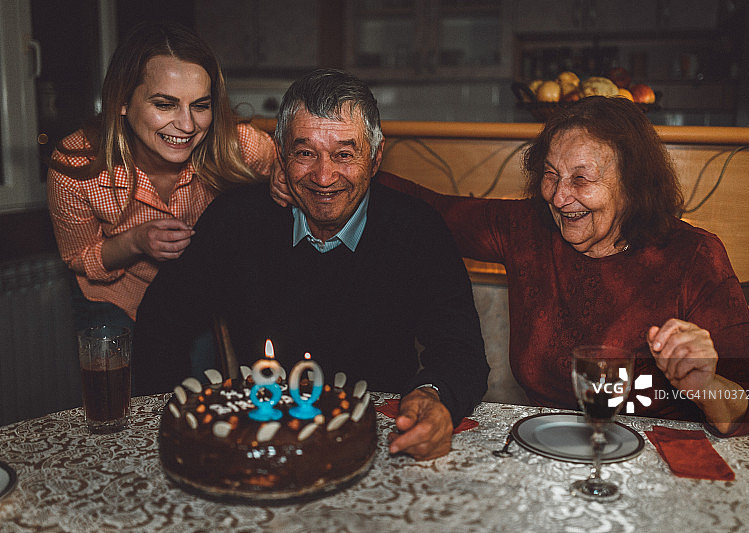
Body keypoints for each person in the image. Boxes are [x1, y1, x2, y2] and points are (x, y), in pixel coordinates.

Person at [273, 95, 749, 435]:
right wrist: (328, 178)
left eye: (581, 180)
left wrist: (704, 383)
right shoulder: (528, 228)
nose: (559, 198)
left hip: (657, 469)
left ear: (631, 185)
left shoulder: (693, 255)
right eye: (550, 175)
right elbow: (436, 210)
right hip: (542, 457)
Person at [133, 69, 489, 460]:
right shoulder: (237, 221)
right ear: (281, 154)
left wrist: (433, 395)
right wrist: (169, 419)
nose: (323, 176)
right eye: (305, 153)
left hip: (381, 438)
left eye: (344, 154)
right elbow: (162, 320)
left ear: (375, 157)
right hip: (266, 439)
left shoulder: (417, 229)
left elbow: (460, 348)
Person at [47, 22, 278, 345]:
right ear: (122, 101)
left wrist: (285, 178)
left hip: (196, 298)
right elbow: (79, 257)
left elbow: (295, 165)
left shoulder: (238, 146)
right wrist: (135, 242)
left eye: (200, 105)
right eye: (164, 104)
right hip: (113, 302)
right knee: (125, 394)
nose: (186, 125)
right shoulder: (77, 163)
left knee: (196, 392)